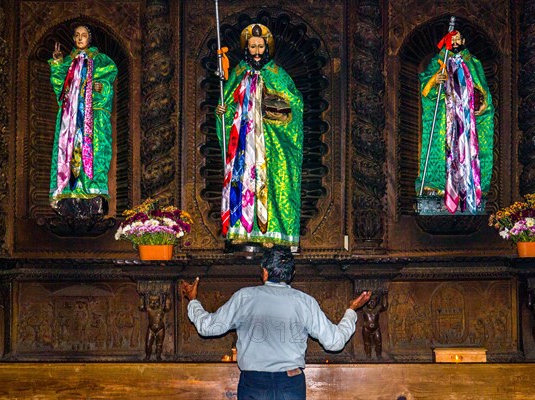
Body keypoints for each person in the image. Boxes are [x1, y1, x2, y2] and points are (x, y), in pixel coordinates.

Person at [180, 246, 371, 400]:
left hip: (253, 382)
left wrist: (193, 300)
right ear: (292, 273)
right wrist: (351, 311)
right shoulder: (304, 302)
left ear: (264, 272)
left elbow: (207, 327)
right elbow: (334, 342)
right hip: (291, 383)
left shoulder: (245, 297)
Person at [215, 24, 303, 247]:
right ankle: (239, 231)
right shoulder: (237, 72)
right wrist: (222, 113)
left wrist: (268, 106)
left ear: (267, 48)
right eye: (252, 46)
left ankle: (269, 234)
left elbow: (295, 105)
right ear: (247, 47)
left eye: (260, 46)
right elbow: (227, 102)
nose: (256, 51)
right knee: (241, 181)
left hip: (269, 141)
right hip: (243, 142)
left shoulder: (276, 74)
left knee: (269, 184)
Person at [416, 30, 494, 214]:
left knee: (467, 151)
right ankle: (437, 189)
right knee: (442, 150)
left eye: (459, 39)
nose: (456, 42)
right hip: (445, 119)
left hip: (467, 123)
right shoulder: (438, 61)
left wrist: (476, 99)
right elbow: (425, 86)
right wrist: (435, 80)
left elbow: (484, 93)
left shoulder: (474, 63)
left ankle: (468, 189)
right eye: (453, 40)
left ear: (464, 40)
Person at [48, 24, 118, 212]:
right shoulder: (67, 62)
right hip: (70, 119)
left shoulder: (102, 61)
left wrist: (99, 88)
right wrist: (57, 64)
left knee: (93, 151)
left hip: (92, 118)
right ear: (73, 38)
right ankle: (70, 192)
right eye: (77, 35)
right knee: (70, 151)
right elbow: (60, 90)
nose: (80, 39)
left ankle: (92, 191)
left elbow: (107, 86)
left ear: (90, 38)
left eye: (84, 35)